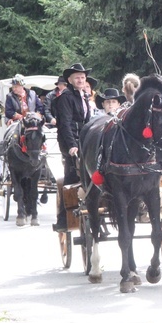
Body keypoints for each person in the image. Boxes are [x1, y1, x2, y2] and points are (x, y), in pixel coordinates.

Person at [52, 63, 93, 233]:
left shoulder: (83, 96)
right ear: (69, 80)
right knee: (70, 179)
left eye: (83, 77)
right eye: (77, 77)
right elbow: (65, 125)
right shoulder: (66, 97)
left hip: (85, 140)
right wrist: (72, 146)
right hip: (72, 144)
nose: (81, 80)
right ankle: (63, 218)